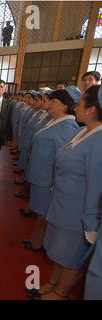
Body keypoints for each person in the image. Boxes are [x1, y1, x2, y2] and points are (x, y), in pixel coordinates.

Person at [27, 85, 102, 300]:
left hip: (78, 211)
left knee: (72, 257)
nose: (75, 108)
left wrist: (91, 224)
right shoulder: (83, 131)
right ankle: (52, 283)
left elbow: (96, 186)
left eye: (79, 104)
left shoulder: (99, 141)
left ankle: (60, 293)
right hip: (63, 205)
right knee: (60, 252)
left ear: (91, 109)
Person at [22, 88, 80, 250]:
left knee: (43, 213)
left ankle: (38, 242)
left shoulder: (67, 127)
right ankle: (35, 238)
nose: (49, 104)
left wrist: (56, 183)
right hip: (40, 175)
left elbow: (62, 159)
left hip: (48, 178)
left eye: (53, 102)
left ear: (64, 106)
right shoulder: (53, 121)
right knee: (40, 212)